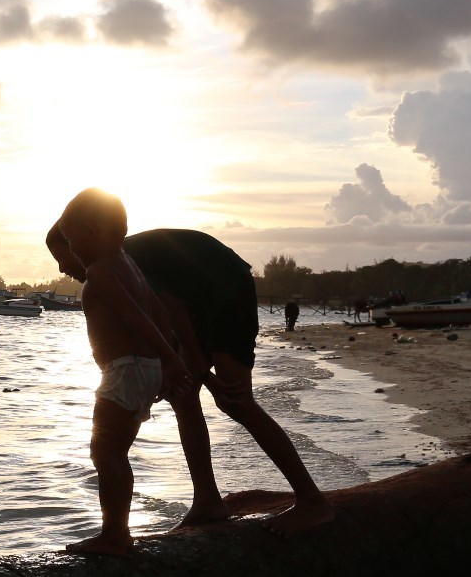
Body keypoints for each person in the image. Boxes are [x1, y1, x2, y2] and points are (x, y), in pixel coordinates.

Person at [47, 216, 334, 537]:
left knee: (235, 400)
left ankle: (312, 500)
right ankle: (207, 501)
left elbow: (172, 312)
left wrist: (193, 368)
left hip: (224, 288)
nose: (62, 268)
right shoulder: (114, 261)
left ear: (88, 235)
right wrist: (172, 369)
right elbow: (161, 320)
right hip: (196, 296)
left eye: (62, 255)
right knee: (183, 397)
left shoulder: (120, 261)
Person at [46, 189, 190, 557]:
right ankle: (117, 531)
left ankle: (115, 534)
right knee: (115, 451)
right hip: (144, 368)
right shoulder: (129, 265)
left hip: (125, 370)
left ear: (91, 229)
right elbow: (158, 311)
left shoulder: (101, 270)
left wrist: (169, 360)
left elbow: (134, 316)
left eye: (72, 237)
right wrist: (169, 356)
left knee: (105, 452)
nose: (72, 249)